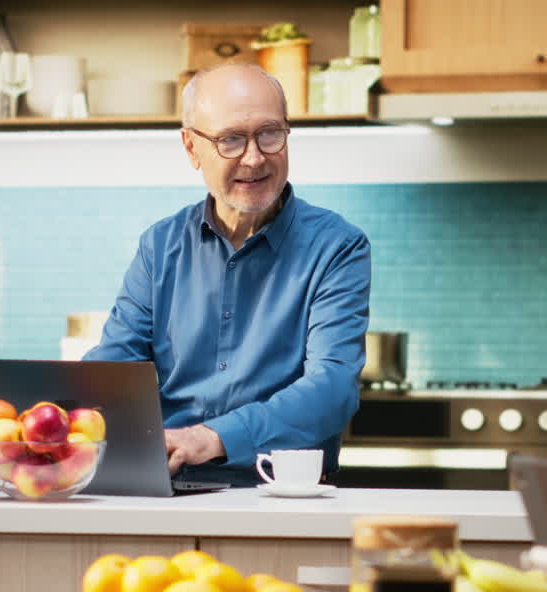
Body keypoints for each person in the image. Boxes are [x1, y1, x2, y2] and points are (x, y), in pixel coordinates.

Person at [84, 63, 371, 485]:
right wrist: (51, 413)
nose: (254, 158)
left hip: (285, 491)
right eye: (231, 140)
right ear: (190, 147)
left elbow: (332, 390)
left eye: (270, 133)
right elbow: (114, 370)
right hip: (167, 487)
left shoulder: (338, 247)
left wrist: (212, 437)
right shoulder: (159, 246)